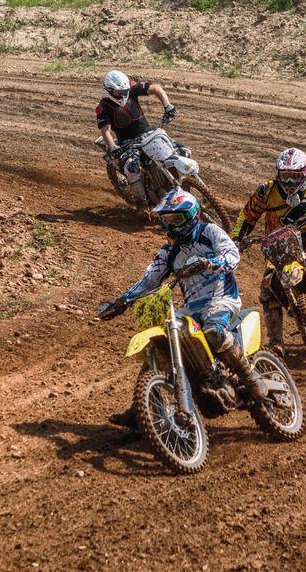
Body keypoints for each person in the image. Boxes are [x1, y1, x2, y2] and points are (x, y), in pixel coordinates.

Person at [98, 188, 266, 429]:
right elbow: (150, 280)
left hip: (221, 299)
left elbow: (232, 254)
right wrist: (122, 301)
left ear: (191, 216)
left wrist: (211, 262)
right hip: (192, 307)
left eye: (175, 219)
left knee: (214, 332)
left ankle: (250, 377)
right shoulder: (168, 252)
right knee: (161, 342)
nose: (169, 225)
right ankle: (142, 407)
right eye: (165, 220)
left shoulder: (209, 232)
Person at [232, 148, 306, 355]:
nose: (289, 183)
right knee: (267, 287)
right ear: (278, 174)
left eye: (294, 177)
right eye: (285, 177)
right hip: (276, 248)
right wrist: (236, 239)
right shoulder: (266, 191)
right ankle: (276, 341)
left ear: (305, 174)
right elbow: (247, 216)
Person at [96, 70, 177, 206]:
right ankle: (142, 205)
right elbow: (106, 131)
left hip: (148, 133)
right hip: (128, 144)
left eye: (124, 90)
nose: (122, 94)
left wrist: (168, 106)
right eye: (118, 92)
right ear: (109, 90)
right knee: (132, 170)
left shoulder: (132, 88)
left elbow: (156, 88)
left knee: (179, 150)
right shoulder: (103, 107)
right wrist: (113, 147)